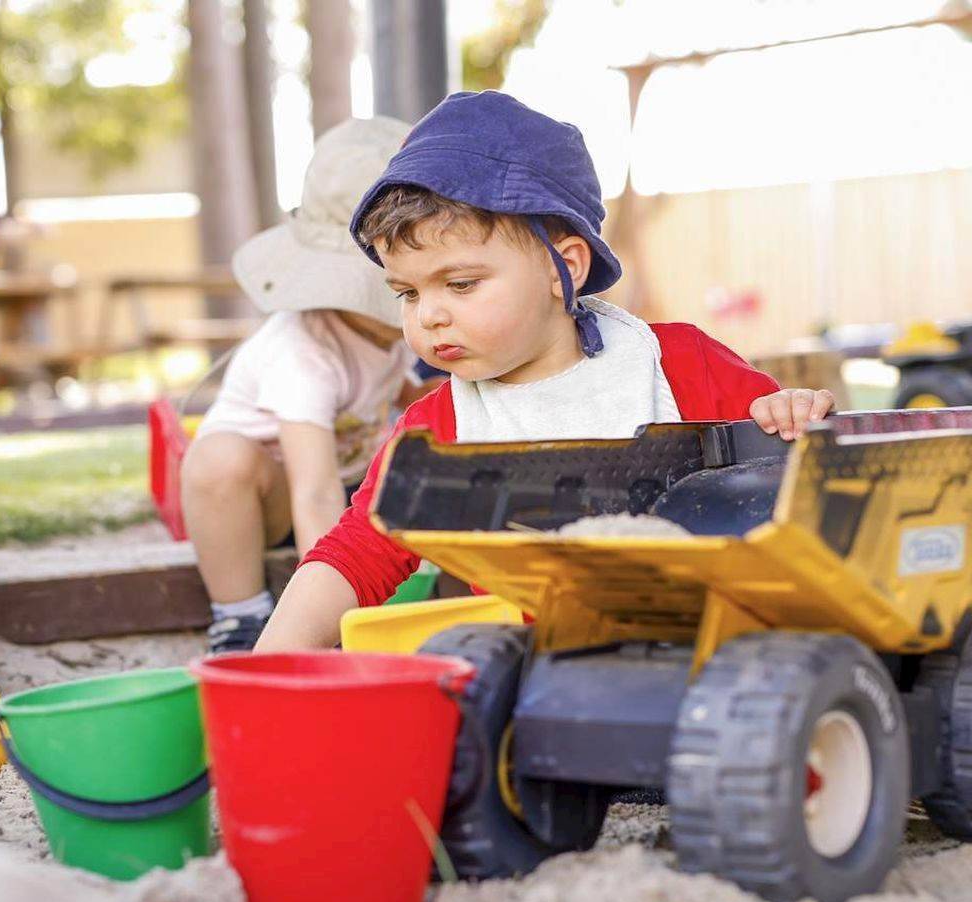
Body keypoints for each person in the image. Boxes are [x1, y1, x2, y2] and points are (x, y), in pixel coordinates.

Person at [256, 91, 835, 651]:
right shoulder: (440, 430)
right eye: (406, 292)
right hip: (542, 673)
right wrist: (272, 661)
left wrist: (789, 413)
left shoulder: (677, 365)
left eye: (460, 284)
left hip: (721, 647)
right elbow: (358, 553)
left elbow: (790, 472)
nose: (429, 315)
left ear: (565, 269)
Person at [182, 116, 424, 654]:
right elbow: (312, 491)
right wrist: (338, 607)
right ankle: (240, 613)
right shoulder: (305, 352)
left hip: (341, 488)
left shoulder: (389, 331)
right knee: (220, 461)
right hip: (264, 500)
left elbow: (403, 391)